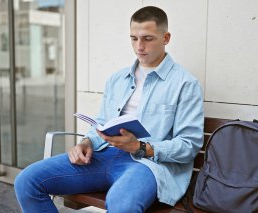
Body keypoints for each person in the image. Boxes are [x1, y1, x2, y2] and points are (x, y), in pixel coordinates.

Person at [14, 6, 204, 213]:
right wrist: (85, 142)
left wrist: (141, 147)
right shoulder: (117, 79)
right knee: (27, 181)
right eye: (134, 38)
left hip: (147, 165)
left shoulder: (185, 84)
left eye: (147, 38)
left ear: (166, 38)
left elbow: (189, 145)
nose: (139, 46)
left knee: (122, 203)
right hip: (102, 156)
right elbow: (103, 122)